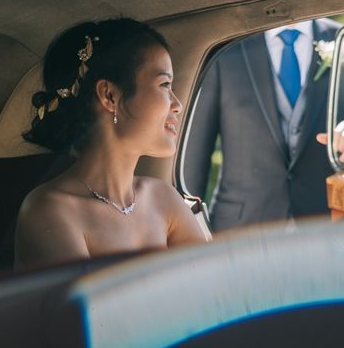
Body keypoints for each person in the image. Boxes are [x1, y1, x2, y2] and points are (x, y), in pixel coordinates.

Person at [15, 18, 207, 268]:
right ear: (109, 95)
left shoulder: (164, 199)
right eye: (164, 85)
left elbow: (218, 294)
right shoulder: (50, 211)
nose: (177, 105)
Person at [183, 19, 344, 232]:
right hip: (240, 231)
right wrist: (187, 230)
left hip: (323, 227)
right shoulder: (225, 44)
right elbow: (194, 155)